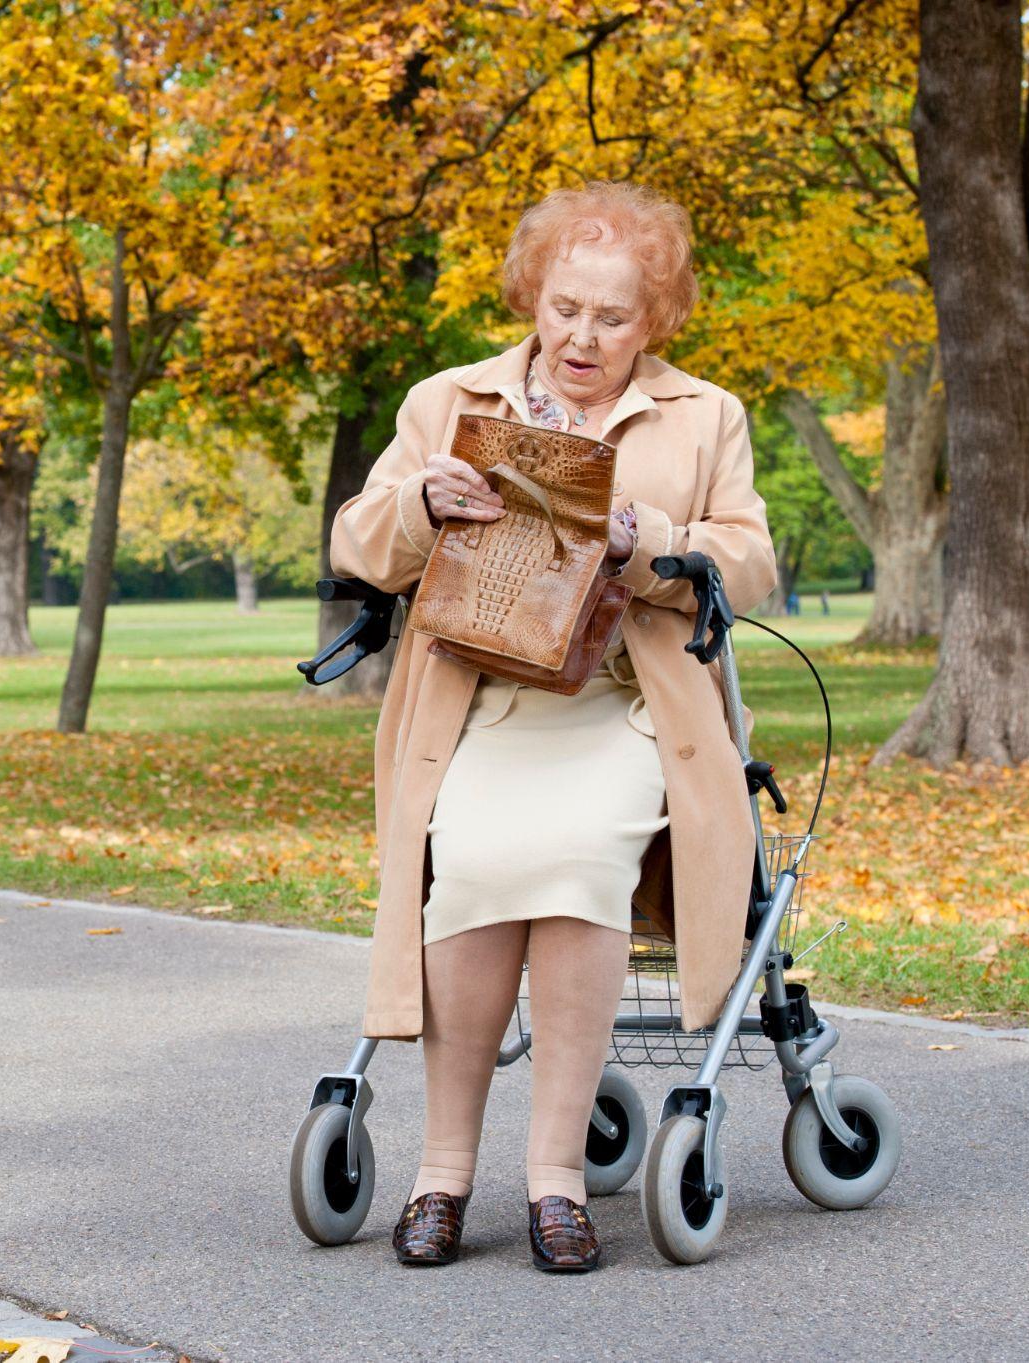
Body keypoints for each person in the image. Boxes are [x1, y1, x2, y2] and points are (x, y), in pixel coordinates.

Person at [328, 181, 777, 1272]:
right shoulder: (449, 399)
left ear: (653, 321)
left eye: (611, 317)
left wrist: (651, 541)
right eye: (563, 306)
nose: (581, 335)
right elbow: (355, 542)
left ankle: (556, 1179)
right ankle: (441, 1173)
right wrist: (419, 506)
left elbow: (752, 562)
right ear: (533, 293)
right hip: (484, 701)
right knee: (472, 865)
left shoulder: (703, 414)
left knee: (578, 860)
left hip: (626, 707)